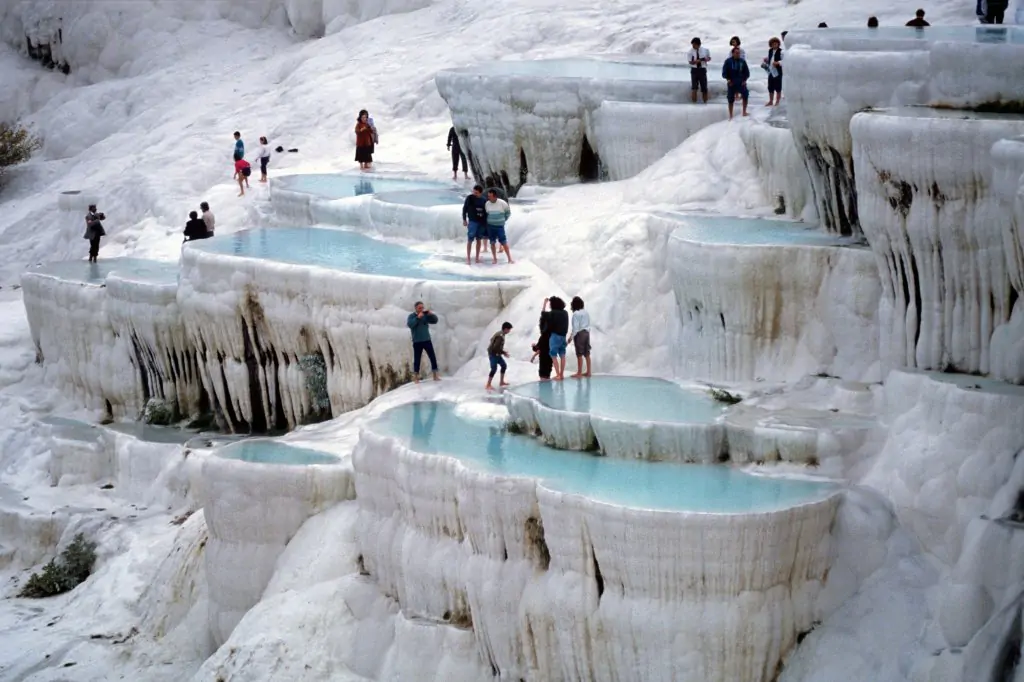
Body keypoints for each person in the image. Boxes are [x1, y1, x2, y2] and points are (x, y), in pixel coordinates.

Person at [407, 301, 440, 383]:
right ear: (416, 308)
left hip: (427, 340)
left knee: (432, 357)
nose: (422, 309)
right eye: (420, 308)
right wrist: (418, 318)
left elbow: (435, 321)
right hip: (417, 341)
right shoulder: (411, 316)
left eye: (422, 307)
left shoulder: (425, 315)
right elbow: (410, 324)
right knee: (417, 359)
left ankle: (435, 375)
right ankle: (416, 378)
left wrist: (431, 315)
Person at [485, 188, 513, 264]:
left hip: (500, 226)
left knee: (503, 241)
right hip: (490, 226)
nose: (488, 198)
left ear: (495, 196)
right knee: (492, 242)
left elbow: (508, 213)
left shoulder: (502, 203)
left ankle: (509, 258)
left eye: (490, 196)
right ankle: (494, 258)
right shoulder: (487, 203)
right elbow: (486, 213)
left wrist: (503, 220)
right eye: (488, 196)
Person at [722, 46, 750, 120]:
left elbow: (747, 73)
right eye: (736, 53)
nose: (738, 54)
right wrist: (728, 80)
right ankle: (731, 115)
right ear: (733, 53)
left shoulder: (742, 61)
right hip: (731, 82)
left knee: (745, 95)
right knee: (730, 99)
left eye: (739, 53)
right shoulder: (728, 61)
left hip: (741, 82)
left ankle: (744, 112)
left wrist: (744, 81)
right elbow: (724, 73)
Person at [462, 184, 488, 265]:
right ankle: (468, 258)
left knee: (479, 239)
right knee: (470, 239)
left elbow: (486, 211)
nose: (474, 194)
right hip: (473, 221)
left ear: (480, 193)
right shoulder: (469, 198)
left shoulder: (484, 200)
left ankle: (477, 257)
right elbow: (464, 208)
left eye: (476, 193)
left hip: (481, 222)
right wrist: (464, 219)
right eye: (474, 192)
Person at [485, 322, 513, 391]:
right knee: (494, 369)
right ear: (506, 329)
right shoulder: (500, 336)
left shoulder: (501, 334)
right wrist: (504, 353)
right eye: (509, 330)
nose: (509, 331)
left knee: (504, 365)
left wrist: (502, 352)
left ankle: (501, 382)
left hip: (497, 354)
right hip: (493, 354)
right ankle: (488, 384)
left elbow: (492, 339)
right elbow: (495, 348)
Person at [568, 296, 591, 378]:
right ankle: (588, 372)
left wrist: (570, 338)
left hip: (579, 334)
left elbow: (575, 328)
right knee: (587, 353)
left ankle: (579, 373)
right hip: (587, 333)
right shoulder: (586, 312)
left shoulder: (575, 314)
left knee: (579, 354)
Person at [547, 296, 569, 381]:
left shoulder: (552, 313)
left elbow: (549, 325)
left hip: (555, 336)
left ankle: (558, 375)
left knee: (553, 355)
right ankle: (562, 374)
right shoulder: (565, 313)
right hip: (563, 336)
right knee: (562, 354)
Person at [533, 297, 554, 380]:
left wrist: (534, 347)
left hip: (543, 360)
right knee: (548, 369)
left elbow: (537, 348)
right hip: (549, 358)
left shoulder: (543, 337)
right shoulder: (552, 335)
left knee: (543, 372)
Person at [688, 38, 711, 104]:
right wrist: (697, 61)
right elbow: (690, 62)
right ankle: (694, 103)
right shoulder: (690, 52)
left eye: (694, 45)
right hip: (694, 70)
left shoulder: (705, 50)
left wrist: (705, 59)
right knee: (694, 88)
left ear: (699, 44)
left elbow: (709, 58)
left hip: (702, 69)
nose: (693, 46)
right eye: (692, 45)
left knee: (704, 88)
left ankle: (705, 102)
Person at [762, 37, 784, 107]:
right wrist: (767, 59)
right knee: (770, 87)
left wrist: (778, 63)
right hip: (771, 71)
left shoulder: (781, 51)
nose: (774, 45)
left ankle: (778, 101)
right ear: (770, 45)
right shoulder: (770, 50)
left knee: (778, 87)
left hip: (778, 72)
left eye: (776, 43)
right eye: (773, 44)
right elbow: (771, 58)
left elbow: (785, 60)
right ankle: (771, 101)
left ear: (778, 44)